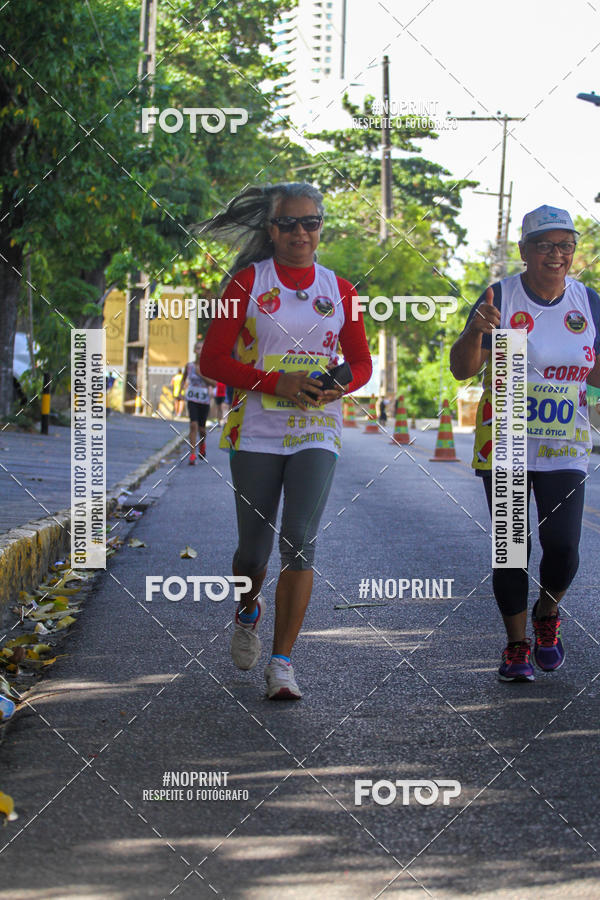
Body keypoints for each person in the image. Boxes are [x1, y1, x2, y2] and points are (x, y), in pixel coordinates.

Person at [200, 182, 372, 700]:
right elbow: (213, 360)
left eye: (311, 223)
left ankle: (282, 663)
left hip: (316, 428)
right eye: (289, 224)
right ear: (271, 231)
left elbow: (363, 361)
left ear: (321, 227)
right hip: (256, 428)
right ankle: (248, 606)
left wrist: (336, 384)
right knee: (252, 552)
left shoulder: (342, 290)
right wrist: (280, 383)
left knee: (299, 538)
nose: (301, 233)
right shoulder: (247, 283)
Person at [450, 205, 600, 682]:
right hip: (508, 443)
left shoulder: (589, 302)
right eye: (544, 245)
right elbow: (462, 368)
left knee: (563, 547)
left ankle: (546, 614)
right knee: (513, 547)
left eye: (565, 246)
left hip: (565, 446)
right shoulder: (498, 295)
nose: (556, 255)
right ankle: (516, 645)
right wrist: (475, 330)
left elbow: (597, 373)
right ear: (524, 251)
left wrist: (592, 405)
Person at [179, 339, 216, 464]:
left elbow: (214, 383)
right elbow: (183, 379)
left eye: (202, 348)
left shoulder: (209, 366)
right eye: (198, 348)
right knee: (193, 425)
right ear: (194, 350)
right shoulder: (189, 366)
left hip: (204, 400)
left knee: (202, 429)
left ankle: (202, 444)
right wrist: (180, 392)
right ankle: (192, 454)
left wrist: (201, 375)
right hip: (192, 399)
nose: (200, 351)